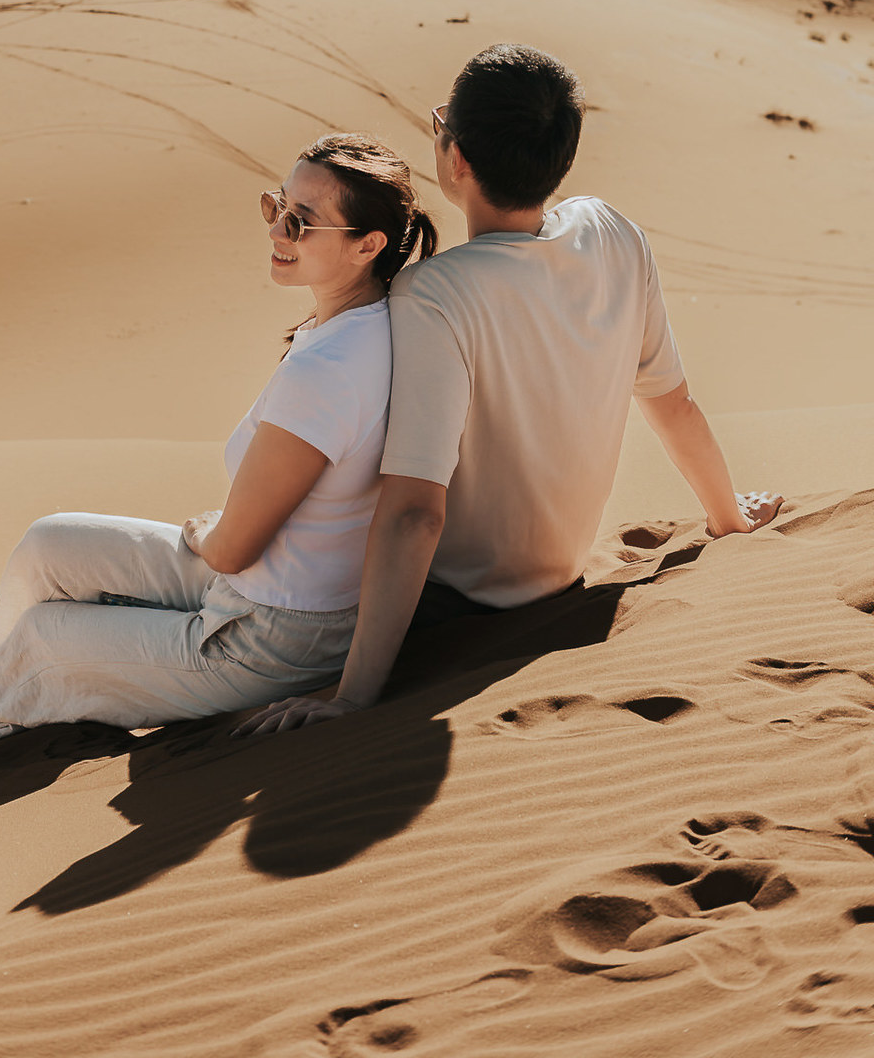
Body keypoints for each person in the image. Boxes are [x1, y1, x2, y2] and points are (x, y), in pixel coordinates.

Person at [0, 134, 438, 768]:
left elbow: (234, 546)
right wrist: (216, 541)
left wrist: (207, 531)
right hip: (247, 590)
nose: (276, 230)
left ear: (367, 245)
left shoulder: (330, 373)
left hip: (268, 635)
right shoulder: (358, 322)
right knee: (50, 544)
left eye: (300, 222)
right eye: (274, 206)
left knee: (48, 637)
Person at [241, 44, 782, 737]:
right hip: (559, 575)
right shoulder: (614, 233)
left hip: (449, 605)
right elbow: (672, 405)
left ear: (455, 158)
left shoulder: (434, 292)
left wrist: (353, 697)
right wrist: (727, 518)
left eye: (441, 123)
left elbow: (414, 514)